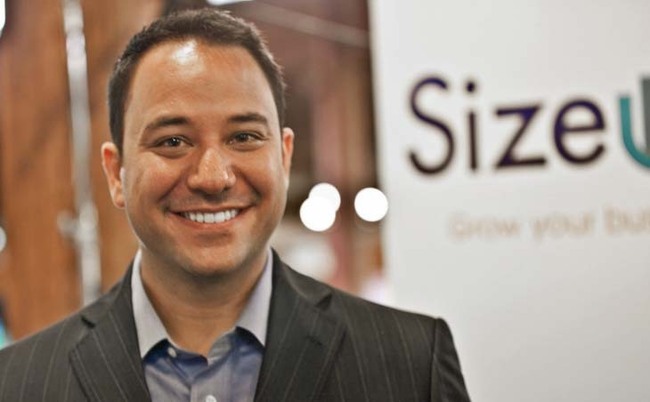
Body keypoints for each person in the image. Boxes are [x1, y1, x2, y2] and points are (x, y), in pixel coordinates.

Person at [0, 8, 470, 402]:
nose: (213, 177)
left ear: (284, 156)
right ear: (115, 173)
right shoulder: (19, 384)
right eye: (173, 141)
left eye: (244, 137)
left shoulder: (411, 364)